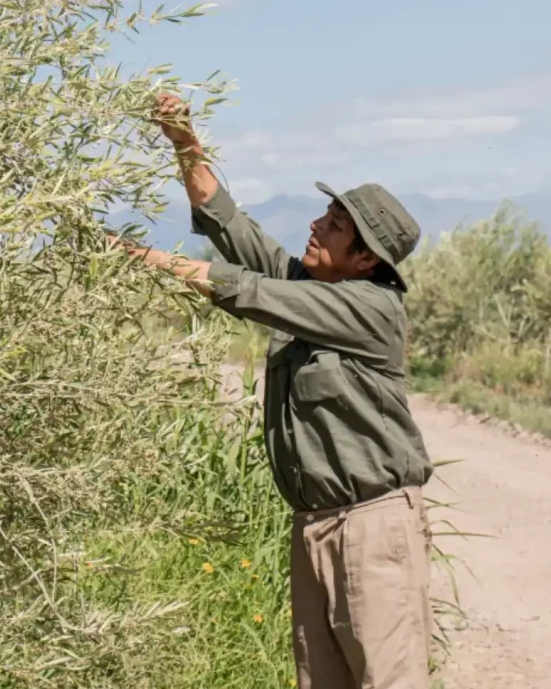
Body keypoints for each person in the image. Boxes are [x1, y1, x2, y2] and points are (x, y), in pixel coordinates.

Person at [110, 93, 435, 689]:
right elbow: (226, 223)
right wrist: (183, 141)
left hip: (372, 530)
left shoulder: (371, 309)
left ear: (364, 259)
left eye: (334, 226)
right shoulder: (309, 288)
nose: (315, 225)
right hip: (313, 525)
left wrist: (146, 259)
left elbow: (245, 289)